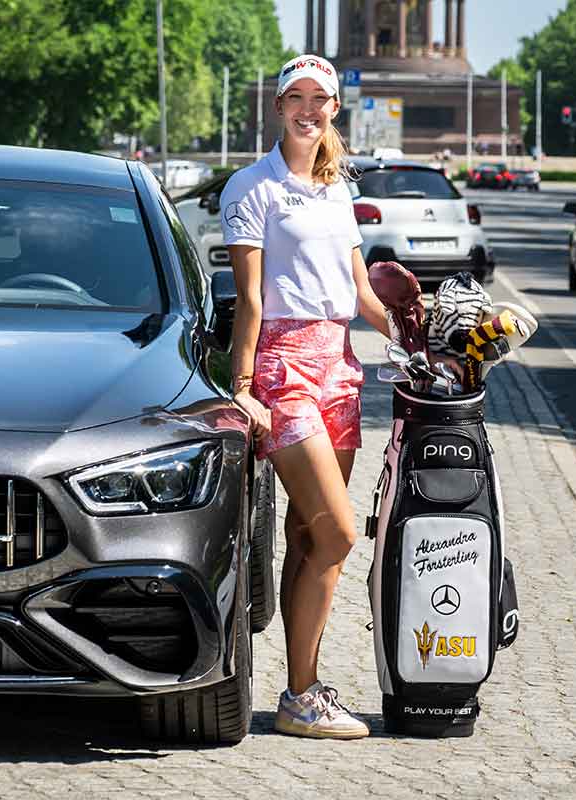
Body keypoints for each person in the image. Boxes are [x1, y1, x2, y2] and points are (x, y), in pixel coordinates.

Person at [220, 54, 390, 739]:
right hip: (284, 371)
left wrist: (423, 326)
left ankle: (299, 691)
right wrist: (241, 386)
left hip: (338, 365)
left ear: (334, 109)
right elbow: (251, 300)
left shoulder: (335, 189)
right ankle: (303, 693)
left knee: (304, 534)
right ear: (277, 106)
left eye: (320, 99)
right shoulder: (250, 187)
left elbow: (362, 295)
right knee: (340, 534)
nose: (308, 109)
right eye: (296, 97)